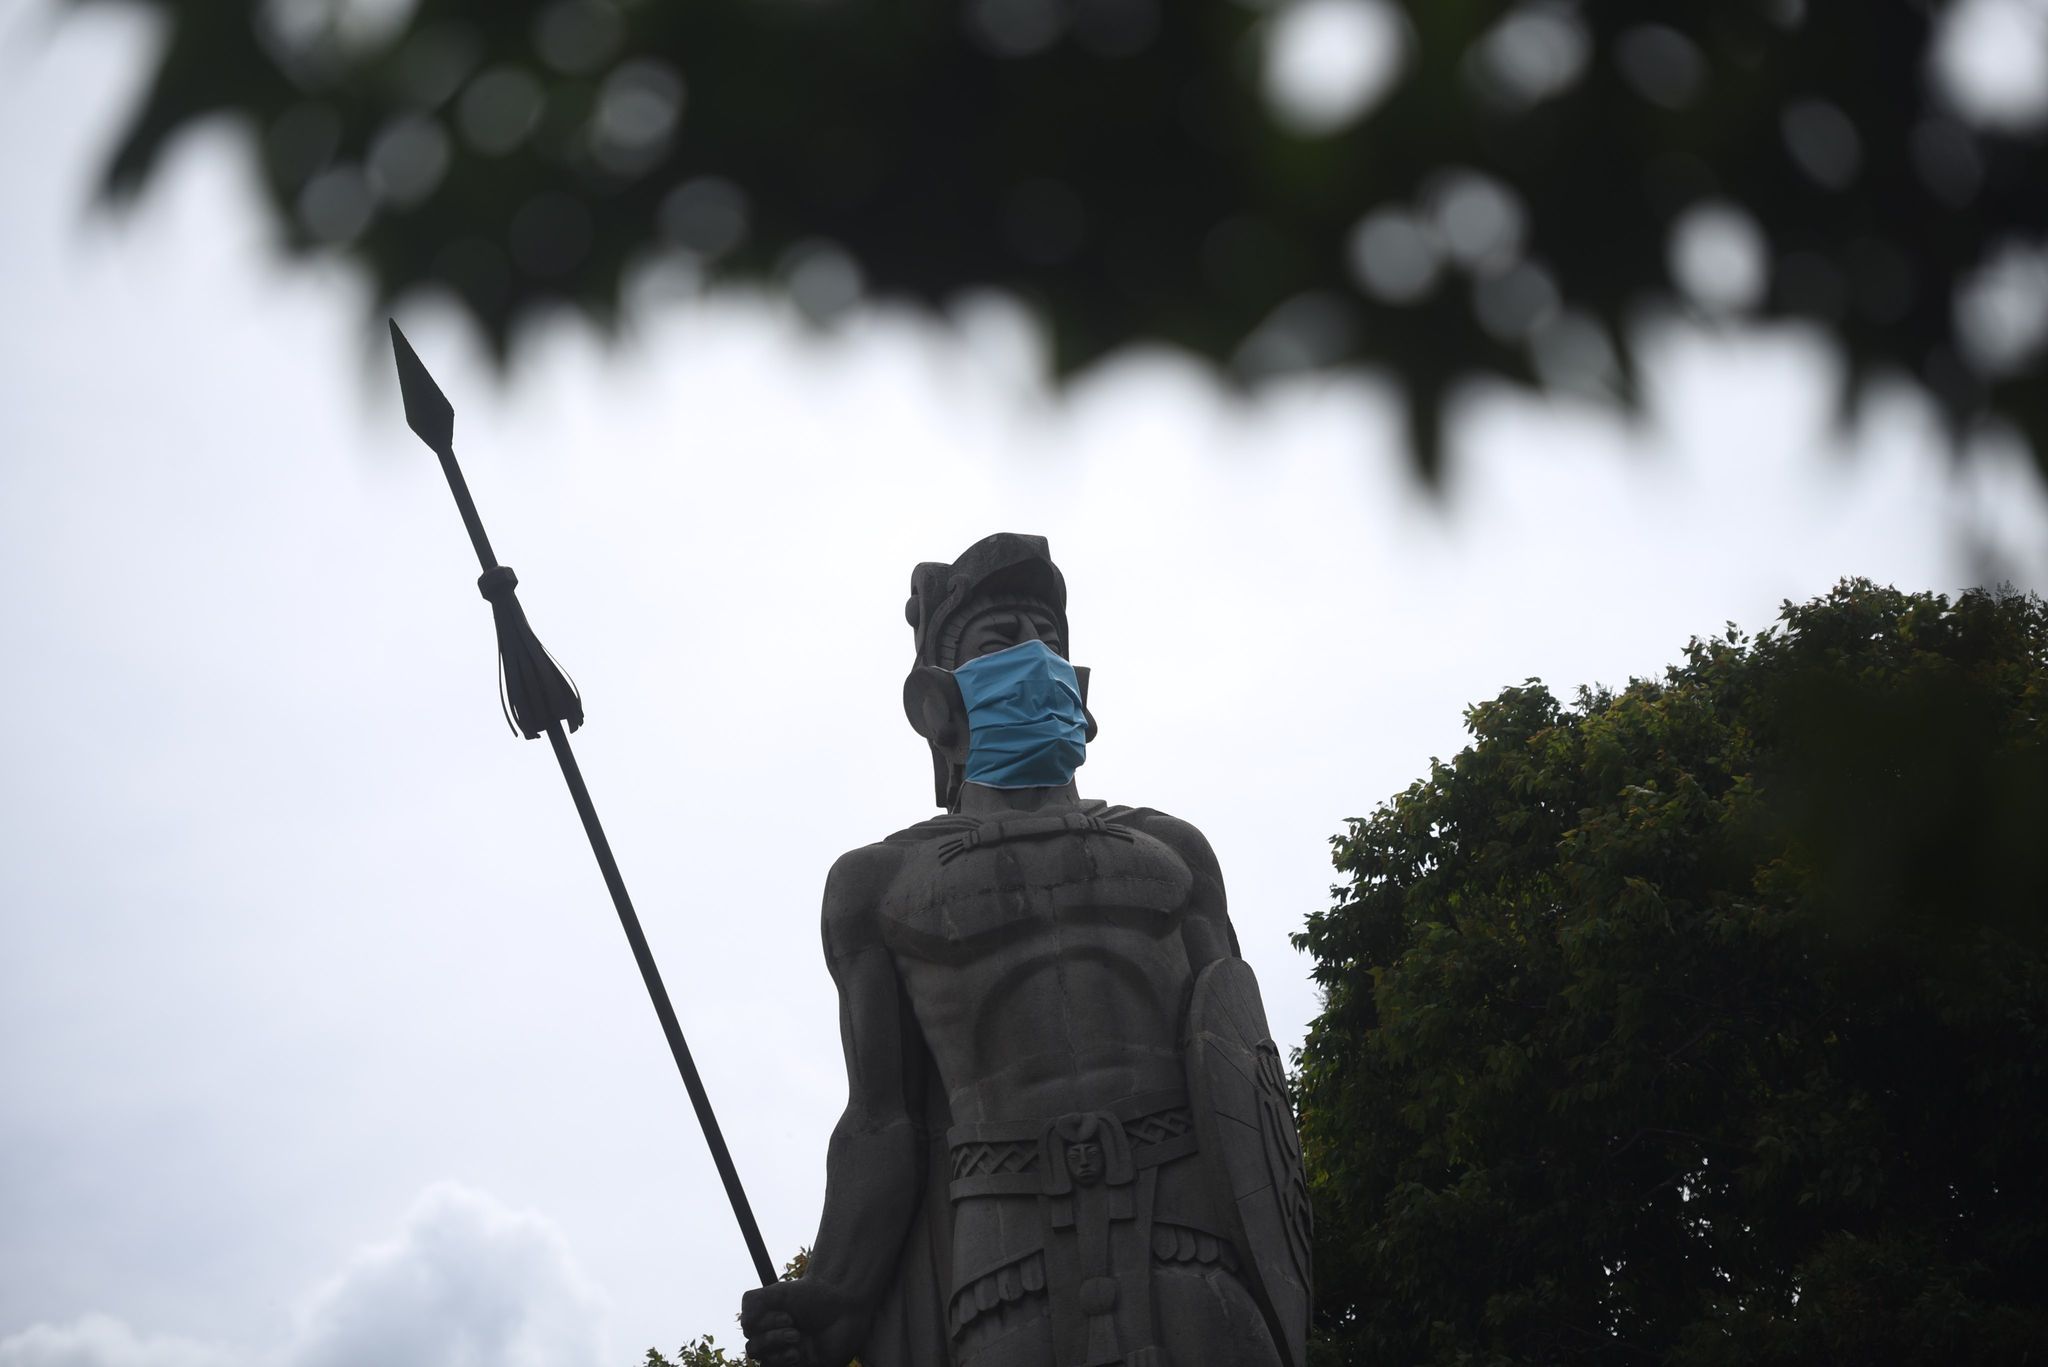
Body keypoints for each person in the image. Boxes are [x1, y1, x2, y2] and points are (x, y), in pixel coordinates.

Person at [741, 533, 1309, 1367]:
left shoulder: (1173, 853)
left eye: (1048, 639)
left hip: (1191, 1231)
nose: (1034, 656)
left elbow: (1243, 1083)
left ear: (1080, 695)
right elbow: (882, 1118)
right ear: (939, 702)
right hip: (1002, 1250)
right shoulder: (881, 883)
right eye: (1000, 640)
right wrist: (840, 1291)